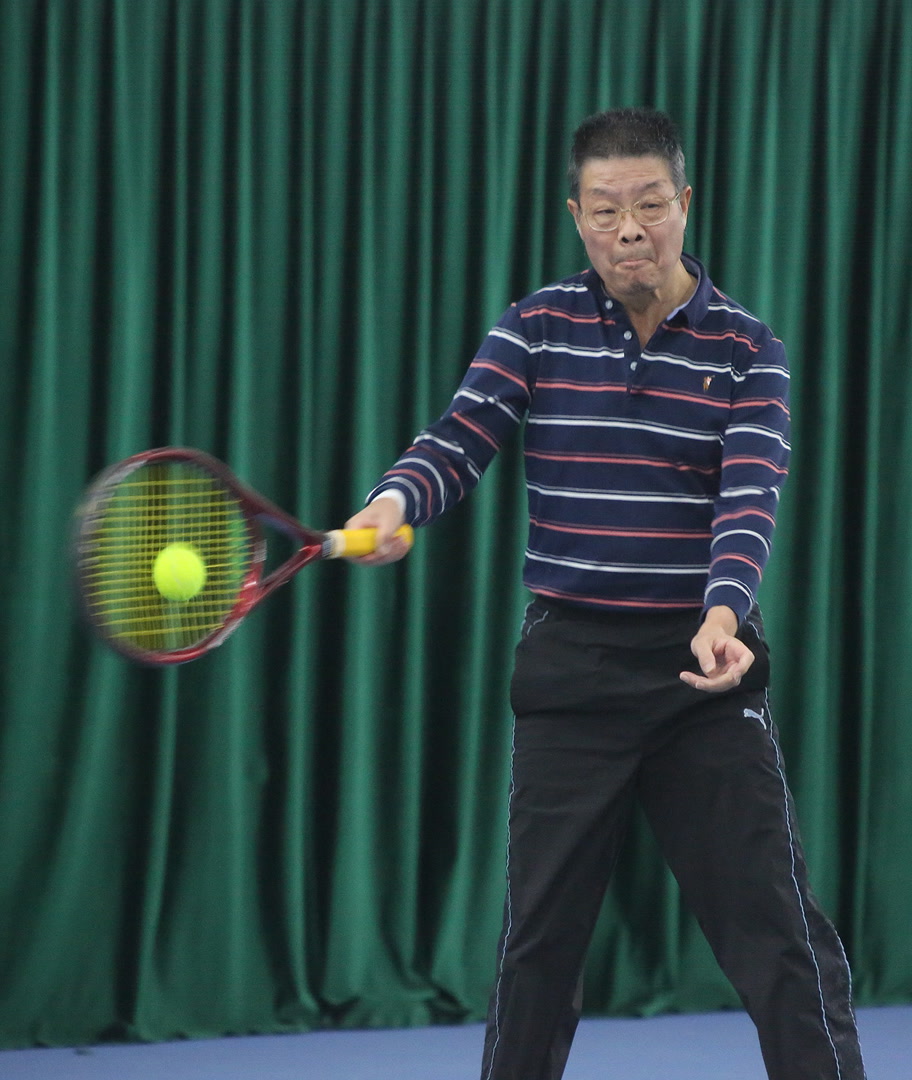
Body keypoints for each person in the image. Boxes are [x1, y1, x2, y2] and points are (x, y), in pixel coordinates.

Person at [344, 107, 866, 1080]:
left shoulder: (749, 349)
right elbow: (457, 441)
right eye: (606, 210)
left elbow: (748, 499)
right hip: (571, 666)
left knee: (782, 940)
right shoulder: (535, 326)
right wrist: (393, 500)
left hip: (703, 669)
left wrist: (723, 614)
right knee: (538, 952)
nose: (630, 230)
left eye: (651, 205)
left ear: (685, 204)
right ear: (576, 216)